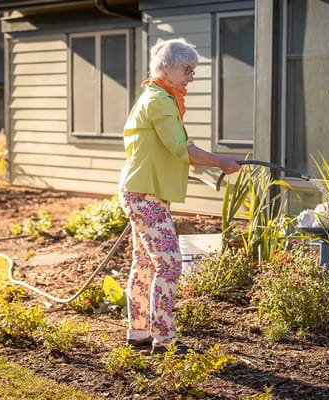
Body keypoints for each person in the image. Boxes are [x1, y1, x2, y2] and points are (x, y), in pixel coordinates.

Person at [118, 38, 240, 356]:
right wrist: (220, 161)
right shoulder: (159, 100)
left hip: (143, 192)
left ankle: (139, 332)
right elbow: (179, 148)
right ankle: (164, 337)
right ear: (167, 67)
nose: (191, 77)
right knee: (170, 264)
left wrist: (212, 167)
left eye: (193, 70)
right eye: (187, 69)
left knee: (145, 262)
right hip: (144, 195)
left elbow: (172, 150)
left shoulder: (161, 97)